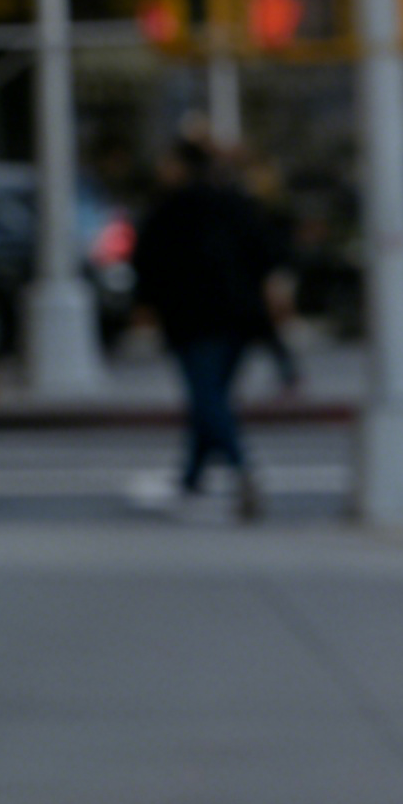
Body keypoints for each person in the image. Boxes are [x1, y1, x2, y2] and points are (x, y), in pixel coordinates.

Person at [132, 136, 276, 519]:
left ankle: (241, 469)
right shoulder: (234, 202)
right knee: (211, 396)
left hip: (194, 318)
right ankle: (191, 476)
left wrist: (146, 304)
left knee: (207, 398)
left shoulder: (169, 208)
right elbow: (264, 253)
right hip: (240, 316)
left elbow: (147, 261)